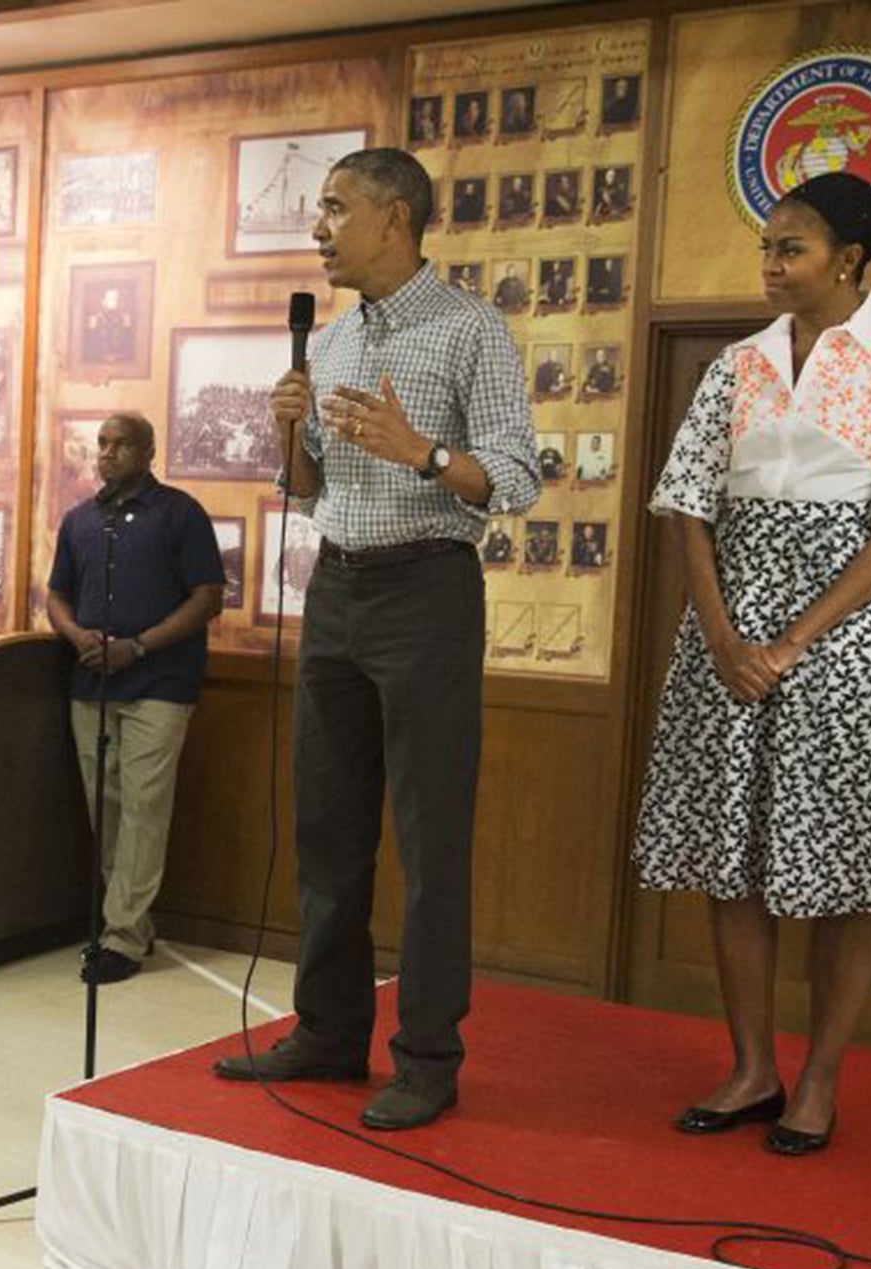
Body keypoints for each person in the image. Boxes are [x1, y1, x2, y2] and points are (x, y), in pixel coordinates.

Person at [213, 147, 539, 1130]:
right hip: (337, 591)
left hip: (427, 593)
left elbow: (516, 480)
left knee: (430, 839)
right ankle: (325, 1031)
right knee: (325, 827)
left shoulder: (471, 330)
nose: (317, 227)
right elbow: (309, 493)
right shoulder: (337, 343)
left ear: (394, 218)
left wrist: (424, 452)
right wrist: (287, 436)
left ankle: (428, 1056)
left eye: (332, 208)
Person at [634, 173, 871, 1156]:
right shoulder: (736, 363)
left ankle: (816, 1081)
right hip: (726, 630)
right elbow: (685, 502)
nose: (769, 265)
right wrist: (722, 636)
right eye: (765, 247)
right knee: (730, 853)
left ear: (847, 259)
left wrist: (792, 641)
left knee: (847, 862)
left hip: (850, 639)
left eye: (791, 248)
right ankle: (748, 1068)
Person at [45, 414, 225, 985]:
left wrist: (140, 647)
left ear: (149, 452)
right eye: (102, 443)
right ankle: (133, 922)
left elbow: (208, 598)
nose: (108, 453)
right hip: (91, 683)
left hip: (160, 684)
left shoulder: (180, 514)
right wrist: (76, 637)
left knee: (145, 805)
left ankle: (119, 936)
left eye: (121, 444)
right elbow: (56, 595)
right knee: (109, 805)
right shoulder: (79, 521)